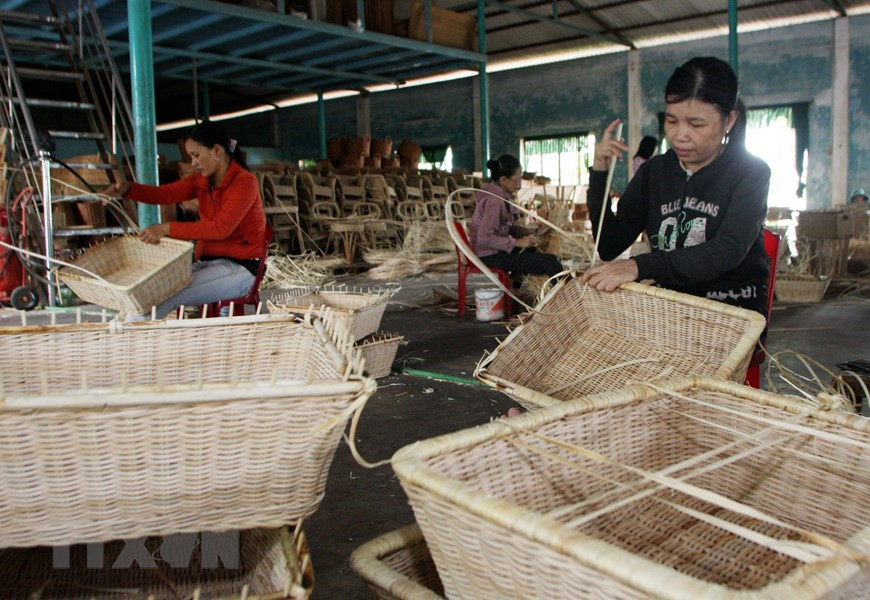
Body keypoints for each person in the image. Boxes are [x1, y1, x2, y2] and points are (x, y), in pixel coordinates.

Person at [582, 56, 771, 317]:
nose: (680, 135)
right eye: (671, 121)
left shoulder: (750, 172)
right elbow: (608, 245)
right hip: (671, 313)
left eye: (696, 124)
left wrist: (640, 265)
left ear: (729, 120)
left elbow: (727, 250)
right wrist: (600, 174)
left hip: (731, 312)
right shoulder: (654, 172)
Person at [106, 121, 267, 318]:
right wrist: (128, 189)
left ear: (217, 150)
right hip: (209, 262)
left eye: (196, 155)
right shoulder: (202, 181)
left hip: (242, 269)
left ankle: (130, 339)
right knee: (151, 290)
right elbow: (166, 194)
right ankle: (127, 334)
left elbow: (220, 229)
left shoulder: (245, 182)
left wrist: (166, 228)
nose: (193, 163)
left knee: (168, 295)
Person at [469, 154, 563, 279]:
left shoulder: (500, 196)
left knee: (531, 249)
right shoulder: (495, 201)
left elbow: (506, 229)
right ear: (503, 179)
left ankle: (515, 286)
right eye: (516, 180)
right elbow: (484, 238)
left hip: (493, 251)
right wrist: (517, 242)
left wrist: (532, 231)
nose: (519, 185)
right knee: (551, 263)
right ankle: (564, 297)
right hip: (487, 255)